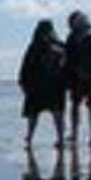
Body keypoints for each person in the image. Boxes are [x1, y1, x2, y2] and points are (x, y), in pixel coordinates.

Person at [18, 19, 68, 148]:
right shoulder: (60, 45)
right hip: (56, 86)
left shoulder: (34, 45)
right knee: (58, 115)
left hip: (36, 86)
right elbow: (67, 66)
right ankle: (60, 139)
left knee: (33, 115)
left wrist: (23, 82)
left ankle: (29, 139)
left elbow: (26, 66)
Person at [64, 10, 91, 146]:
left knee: (78, 106)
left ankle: (77, 135)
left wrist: (67, 77)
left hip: (81, 77)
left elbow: (69, 58)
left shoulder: (75, 36)